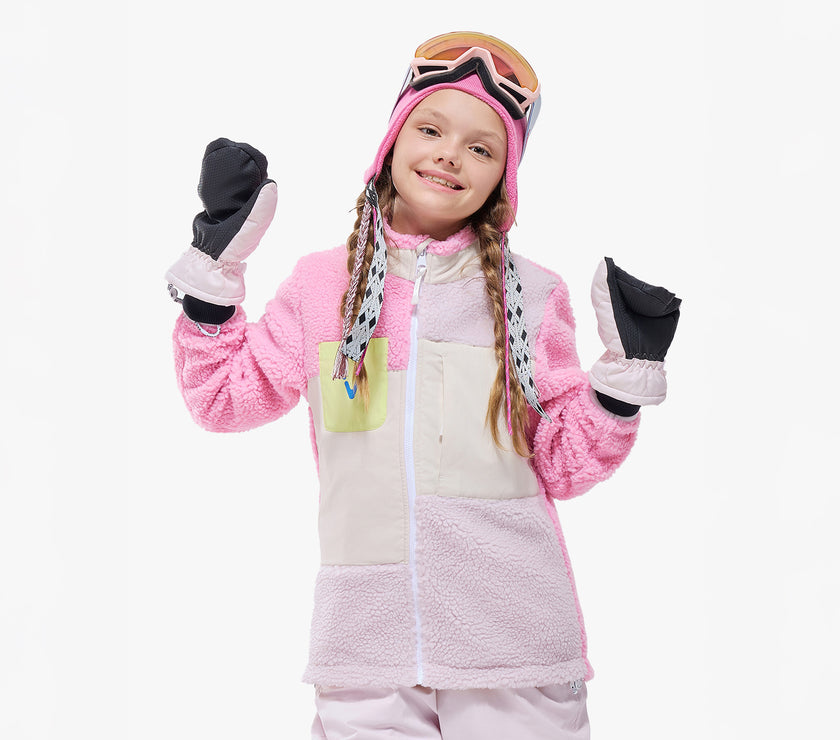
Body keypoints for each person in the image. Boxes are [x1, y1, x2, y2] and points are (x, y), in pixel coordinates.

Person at [165, 31, 681, 740]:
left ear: (504, 179)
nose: (449, 155)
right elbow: (222, 400)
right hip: (365, 648)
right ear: (392, 142)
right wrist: (211, 280)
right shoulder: (322, 287)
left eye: (481, 148)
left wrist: (618, 390)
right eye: (431, 129)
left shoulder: (533, 296)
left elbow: (561, 465)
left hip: (512, 645)